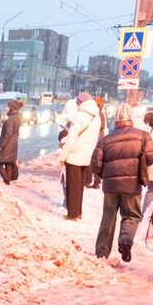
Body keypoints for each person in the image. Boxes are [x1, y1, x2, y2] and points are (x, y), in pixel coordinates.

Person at [91, 104, 153, 262]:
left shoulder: (106, 140)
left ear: (116, 120)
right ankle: (126, 239)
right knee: (131, 215)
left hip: (110, 186)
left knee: (108, 217)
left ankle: (101, 252)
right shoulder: (143, 136)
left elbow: (95, 164)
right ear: (131, 119)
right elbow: (152, 156)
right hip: (132, 185)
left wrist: (105, 175)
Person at [58, 92, 101, 221]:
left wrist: (62, 156)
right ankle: (78, 211)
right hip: (86, 155)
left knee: (73, 185)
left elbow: (71, 139)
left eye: (78, 102)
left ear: (81, 102)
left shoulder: (80, 117)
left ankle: (72, 214)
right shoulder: (96, 117)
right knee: (79, 186)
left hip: (74, 155)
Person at [0, 100, 23, 185]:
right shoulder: (17, 118)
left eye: (8, 106)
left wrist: (1, 146)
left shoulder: (10, 120)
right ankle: (8, 182)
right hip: (13, 145)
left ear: (12, 108)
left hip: (7, 145)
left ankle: (6, 180)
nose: (6, 108)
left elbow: (7, 134)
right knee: (9, 163)